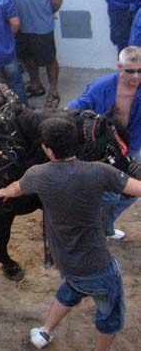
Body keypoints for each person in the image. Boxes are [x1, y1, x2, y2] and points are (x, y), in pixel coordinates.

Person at [0, 117, 141, 351]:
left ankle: (44, 332)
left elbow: (16, 189)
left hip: (64, 259)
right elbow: (137, 188)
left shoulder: (37, 174)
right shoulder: (100, 171)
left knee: (71, 288)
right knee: (110, 317)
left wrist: (1, 192)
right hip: (97, 266)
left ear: (48, 150)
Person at [68, 45, 141, 241]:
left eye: (140, 71)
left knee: (135, 189)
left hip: (131, 146)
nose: (135, 76)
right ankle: (92, 230)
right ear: (119, 67)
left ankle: (104, 226)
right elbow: (73, 110)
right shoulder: (101, 86)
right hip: (101, 147)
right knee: (110, 195)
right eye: (130, 71)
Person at [13, 0, 63, 108]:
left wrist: (46, 13)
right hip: (22, 25)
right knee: (27, 57)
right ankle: (36, 85)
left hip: (42, 26)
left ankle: (53, 91)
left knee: (49, 59)